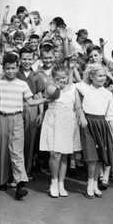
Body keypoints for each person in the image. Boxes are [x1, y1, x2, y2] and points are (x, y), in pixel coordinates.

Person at [0, 53, 52, 200]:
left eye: (13, 68)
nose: (10, 71)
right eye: (7, 68)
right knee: (2, 150)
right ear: (4, 68)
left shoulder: (23, 84)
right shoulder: (0, 82)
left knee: (17, 152)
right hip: (2, 118)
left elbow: (30, 101)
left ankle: (20, 182)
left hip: (17, 119)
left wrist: (46, 99)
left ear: (17, 68)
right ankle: (2, 181)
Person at [40, 61, 81, 197]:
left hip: (68, 121)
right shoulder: (51, 87)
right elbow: (55, 95)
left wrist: (82, 116)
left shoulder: (74, 88)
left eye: (63, 77)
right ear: (53, 77)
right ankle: (53, 181)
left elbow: (78, 106)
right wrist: (57, 85)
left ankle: (61, 184)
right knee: (54, 154)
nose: (61, 80)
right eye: (58, 77)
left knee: (64, 154)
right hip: (53, 121)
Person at [76, 64, 113, 199]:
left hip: (102, 124)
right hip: (89, 123)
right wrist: (81, 115)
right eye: (99, 75)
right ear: (91, 77)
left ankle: (95, 185)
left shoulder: (108, 93)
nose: (102, 78)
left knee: (99, 157)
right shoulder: (84, 88)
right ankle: (90, 183)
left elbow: (110, 116)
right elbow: (74, 84)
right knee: (92, 157)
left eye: (104, 75)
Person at [17, 47, 45, 178]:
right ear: (19, 59)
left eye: (29, 59)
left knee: (30, 139)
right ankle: (16, 170)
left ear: (34, 60)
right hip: (17, 106)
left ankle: (27, 170)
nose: (26, 61)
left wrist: (41, 113)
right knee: (17, 139)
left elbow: (39, 94)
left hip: (32, 108)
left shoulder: (36, 76)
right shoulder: (15, 73)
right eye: (24, 59)